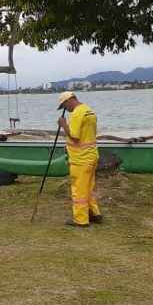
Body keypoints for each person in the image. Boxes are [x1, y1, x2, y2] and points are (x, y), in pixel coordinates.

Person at [57, 92, 102, 228]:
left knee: (79, 190)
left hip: (80, 159)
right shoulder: (89, 110)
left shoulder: (77, 113)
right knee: (89, 188)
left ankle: (81, 219)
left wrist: (63, 124)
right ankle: (94, 213)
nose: (66, 109)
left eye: (64, 106)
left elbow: (75, 136)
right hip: (91, 156)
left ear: (69, 100)